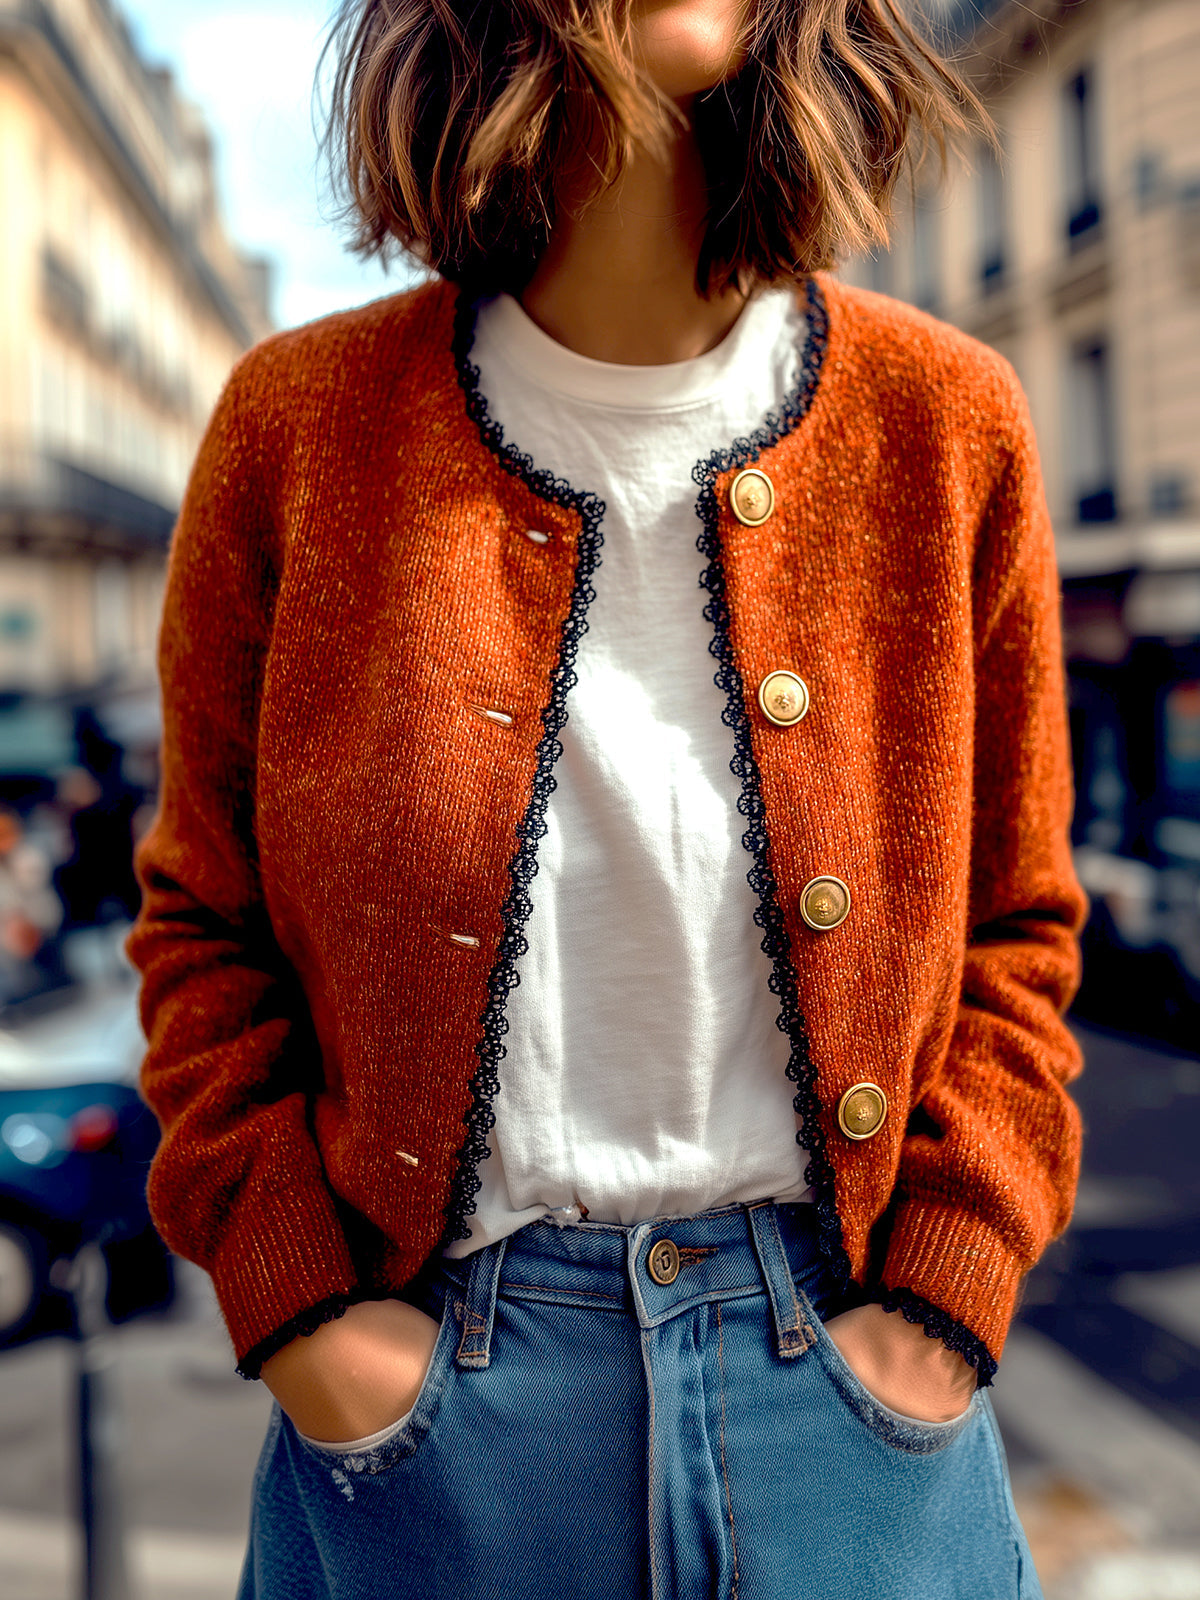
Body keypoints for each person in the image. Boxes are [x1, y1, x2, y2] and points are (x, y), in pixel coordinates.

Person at [123, 0, 1089, 1594]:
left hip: (853, 1415)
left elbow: (1022, 927)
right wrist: (303, 1317)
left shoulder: (947, 422)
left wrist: (938, 1303)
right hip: (435, 1434)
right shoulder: (297, 434)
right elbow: (200, 926)